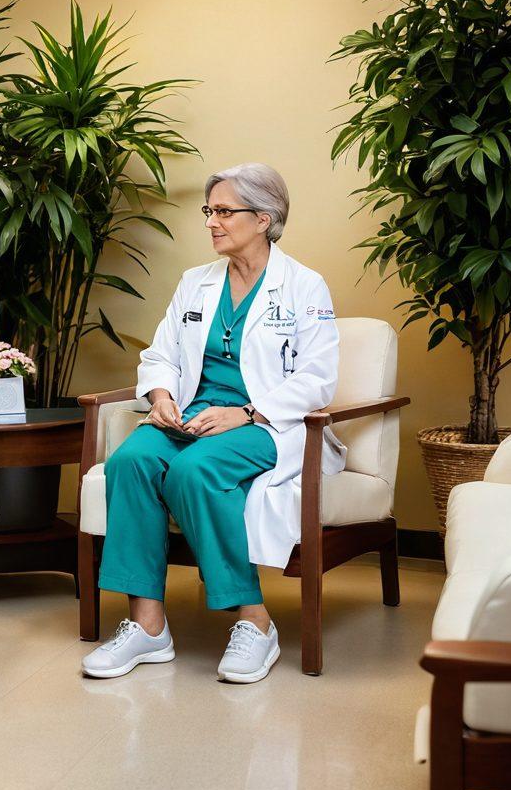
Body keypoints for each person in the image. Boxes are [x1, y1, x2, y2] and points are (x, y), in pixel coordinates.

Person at [81, 163, 341, 684]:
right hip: (193, 416)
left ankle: (253, 620)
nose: (212, 223)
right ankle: (148, 625)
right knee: (130, 460)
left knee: (193, 472)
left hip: (267, 423)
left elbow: (318, 379)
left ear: (264, 219)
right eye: (210, 211)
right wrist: (160, 396)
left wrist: (245, 412)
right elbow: (161, 354)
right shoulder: (195, 283)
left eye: (224, 212)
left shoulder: (304, 286)